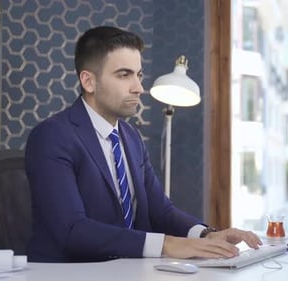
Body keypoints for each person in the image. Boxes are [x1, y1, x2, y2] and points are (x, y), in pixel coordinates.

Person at [25, 26, 262, 262]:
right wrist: (167, 245)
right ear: (88, 81)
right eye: (124, 75)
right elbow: (73, 231)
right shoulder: (51, 137)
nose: (138, 87)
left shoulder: (131, 137)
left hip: (127, 271)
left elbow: (160, 211)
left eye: (138, 75)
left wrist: (207, 235)